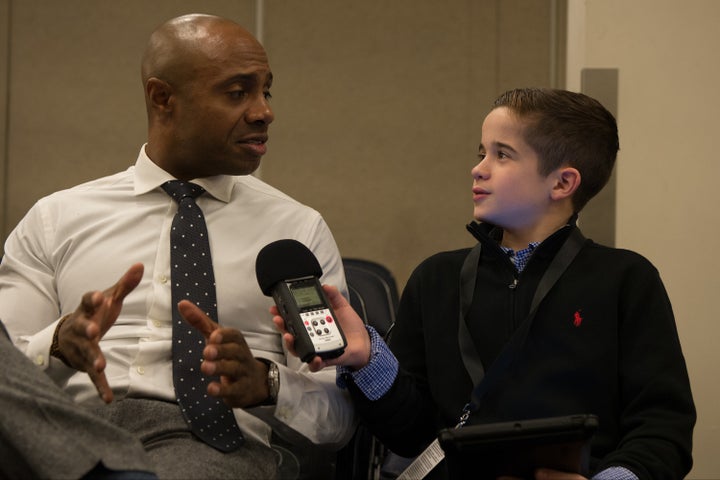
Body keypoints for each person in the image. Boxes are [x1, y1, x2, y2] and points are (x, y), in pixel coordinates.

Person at [272, 88, 696, 479]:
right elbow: (410, 435)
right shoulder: (437, 278)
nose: (478, 168)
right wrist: (366, 361)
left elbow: (663, 429)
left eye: (503, 155)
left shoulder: (625, 280)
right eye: (481, 152)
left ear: (563, 182)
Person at [0, 13, 353, 479]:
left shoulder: (296, 232)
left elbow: (341, 416)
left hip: (208, 444)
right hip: (68, 436)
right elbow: (10, 375)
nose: (264, 110)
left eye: (265, 90)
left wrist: (267, 384)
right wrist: (59, 343)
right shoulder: (55, 218)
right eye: (237, 92)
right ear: (162, 98)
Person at [0, 271, 157, 479]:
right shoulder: (43, 238)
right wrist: (56, 344)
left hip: (193, 428)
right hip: (58, 414)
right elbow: (11, 358)